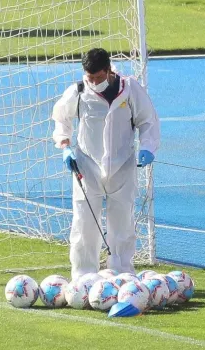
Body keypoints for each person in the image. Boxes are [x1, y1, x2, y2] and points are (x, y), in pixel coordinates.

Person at [52, 48, 160, 281]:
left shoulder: (130, 89)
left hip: (123, 164)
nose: (94, 82)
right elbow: (61, 118)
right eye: (90, 78)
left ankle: (122, 273)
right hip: (86, 165)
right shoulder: (78, 91)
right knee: (84, 223)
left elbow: (148, 120)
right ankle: (84, 276)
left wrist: (148, 148)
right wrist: (65, 145)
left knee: (122, 222)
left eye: (98, 78)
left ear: (109, 71)